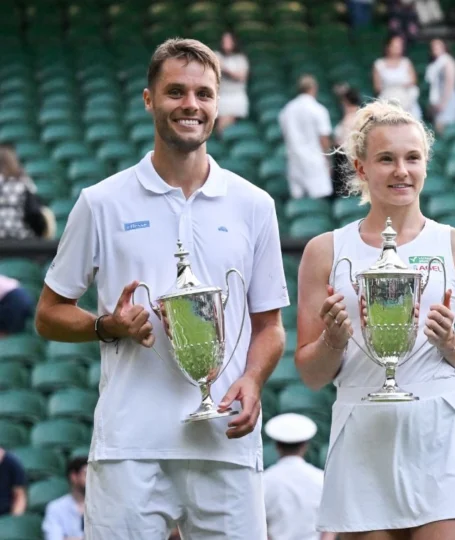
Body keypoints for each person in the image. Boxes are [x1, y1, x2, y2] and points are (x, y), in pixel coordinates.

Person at [34, 38, 289, 538]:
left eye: (203, 94)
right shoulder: (101, 202)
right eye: (176, 92)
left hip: (224, 442)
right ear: (149, 99)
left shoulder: (255, 205)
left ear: (217, 103)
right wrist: (107, 326)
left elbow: (270, 327)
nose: (191, 105)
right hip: (130, 445)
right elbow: (49, 313)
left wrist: (254, 379)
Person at [295, 98, 455, 539]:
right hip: (362, 434)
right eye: (386, 158)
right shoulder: (324, 251)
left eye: (412, 158)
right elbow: (311, 375)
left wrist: (449, 342)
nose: (401, 171)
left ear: (426, 164)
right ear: (361, 167)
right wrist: (332, 340)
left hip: (442, 437)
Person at [263, 413, 334, 540]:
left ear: (277, 446)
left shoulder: (264, 481)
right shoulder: (321, 479)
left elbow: (260, 524)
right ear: (305, 445)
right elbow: (332, 522)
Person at [278, 74, 335, 199]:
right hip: (315, 160)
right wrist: (328, 159)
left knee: (299, 200)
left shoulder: (287, 110)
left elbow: (284, 135)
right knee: (318, 202)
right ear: (314, 88)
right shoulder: (318, 109)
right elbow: (324, 138)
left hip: (294, 161)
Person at [42, 455, 87, 540]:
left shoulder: (103, 506)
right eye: (87, 474)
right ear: (74, 476)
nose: (92, 479)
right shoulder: (56, 507)